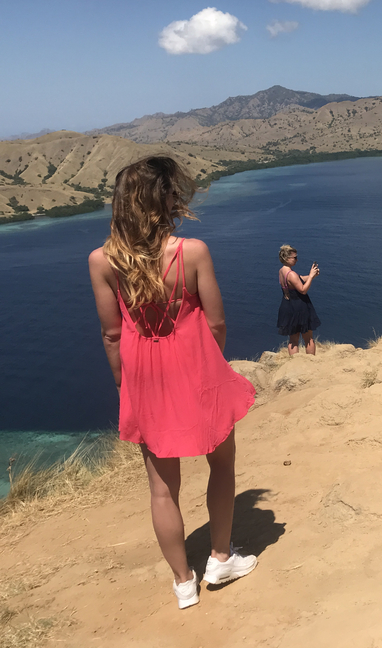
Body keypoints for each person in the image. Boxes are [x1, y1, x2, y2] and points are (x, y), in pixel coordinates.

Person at [88, 156, 258, 610]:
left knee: (162, 488)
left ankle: (184, 583)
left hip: (146, 379)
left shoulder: (102, 262)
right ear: (164, 199)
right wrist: (210, 369)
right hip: (199, 370)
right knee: (222, 465)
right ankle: (220, 558)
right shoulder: (192, 252)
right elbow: (217, 323)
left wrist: (127, 387)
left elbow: (111, 334)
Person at [276, 244, 321, 355]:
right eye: (294, 257)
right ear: (287, 258)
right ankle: (310, 363)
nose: (297, 260)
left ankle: (294, 364)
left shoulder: (282, 271)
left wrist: (312, 275)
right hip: (300, 307)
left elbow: (298, 280)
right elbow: (302, 290)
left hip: (288, 306)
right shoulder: (291, 274)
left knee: (293, 340)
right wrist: (310, 277)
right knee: (308, 338)